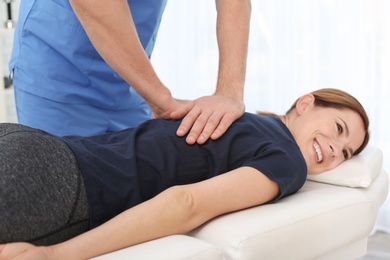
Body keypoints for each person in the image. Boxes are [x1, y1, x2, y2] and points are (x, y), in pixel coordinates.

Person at [0, 88, 369, 259]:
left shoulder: (233, 115)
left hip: (35, 145)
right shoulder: (286, 159)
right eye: (338, 128)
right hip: (62, 184)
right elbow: (187, 202)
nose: (337, 149)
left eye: (348, 152)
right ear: (306, 103)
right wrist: (56, 256)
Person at [9, 0, 251, 145]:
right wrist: (161, 99)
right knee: (68, 200)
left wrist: (229, 92)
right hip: (57, 71)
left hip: (129, 82)